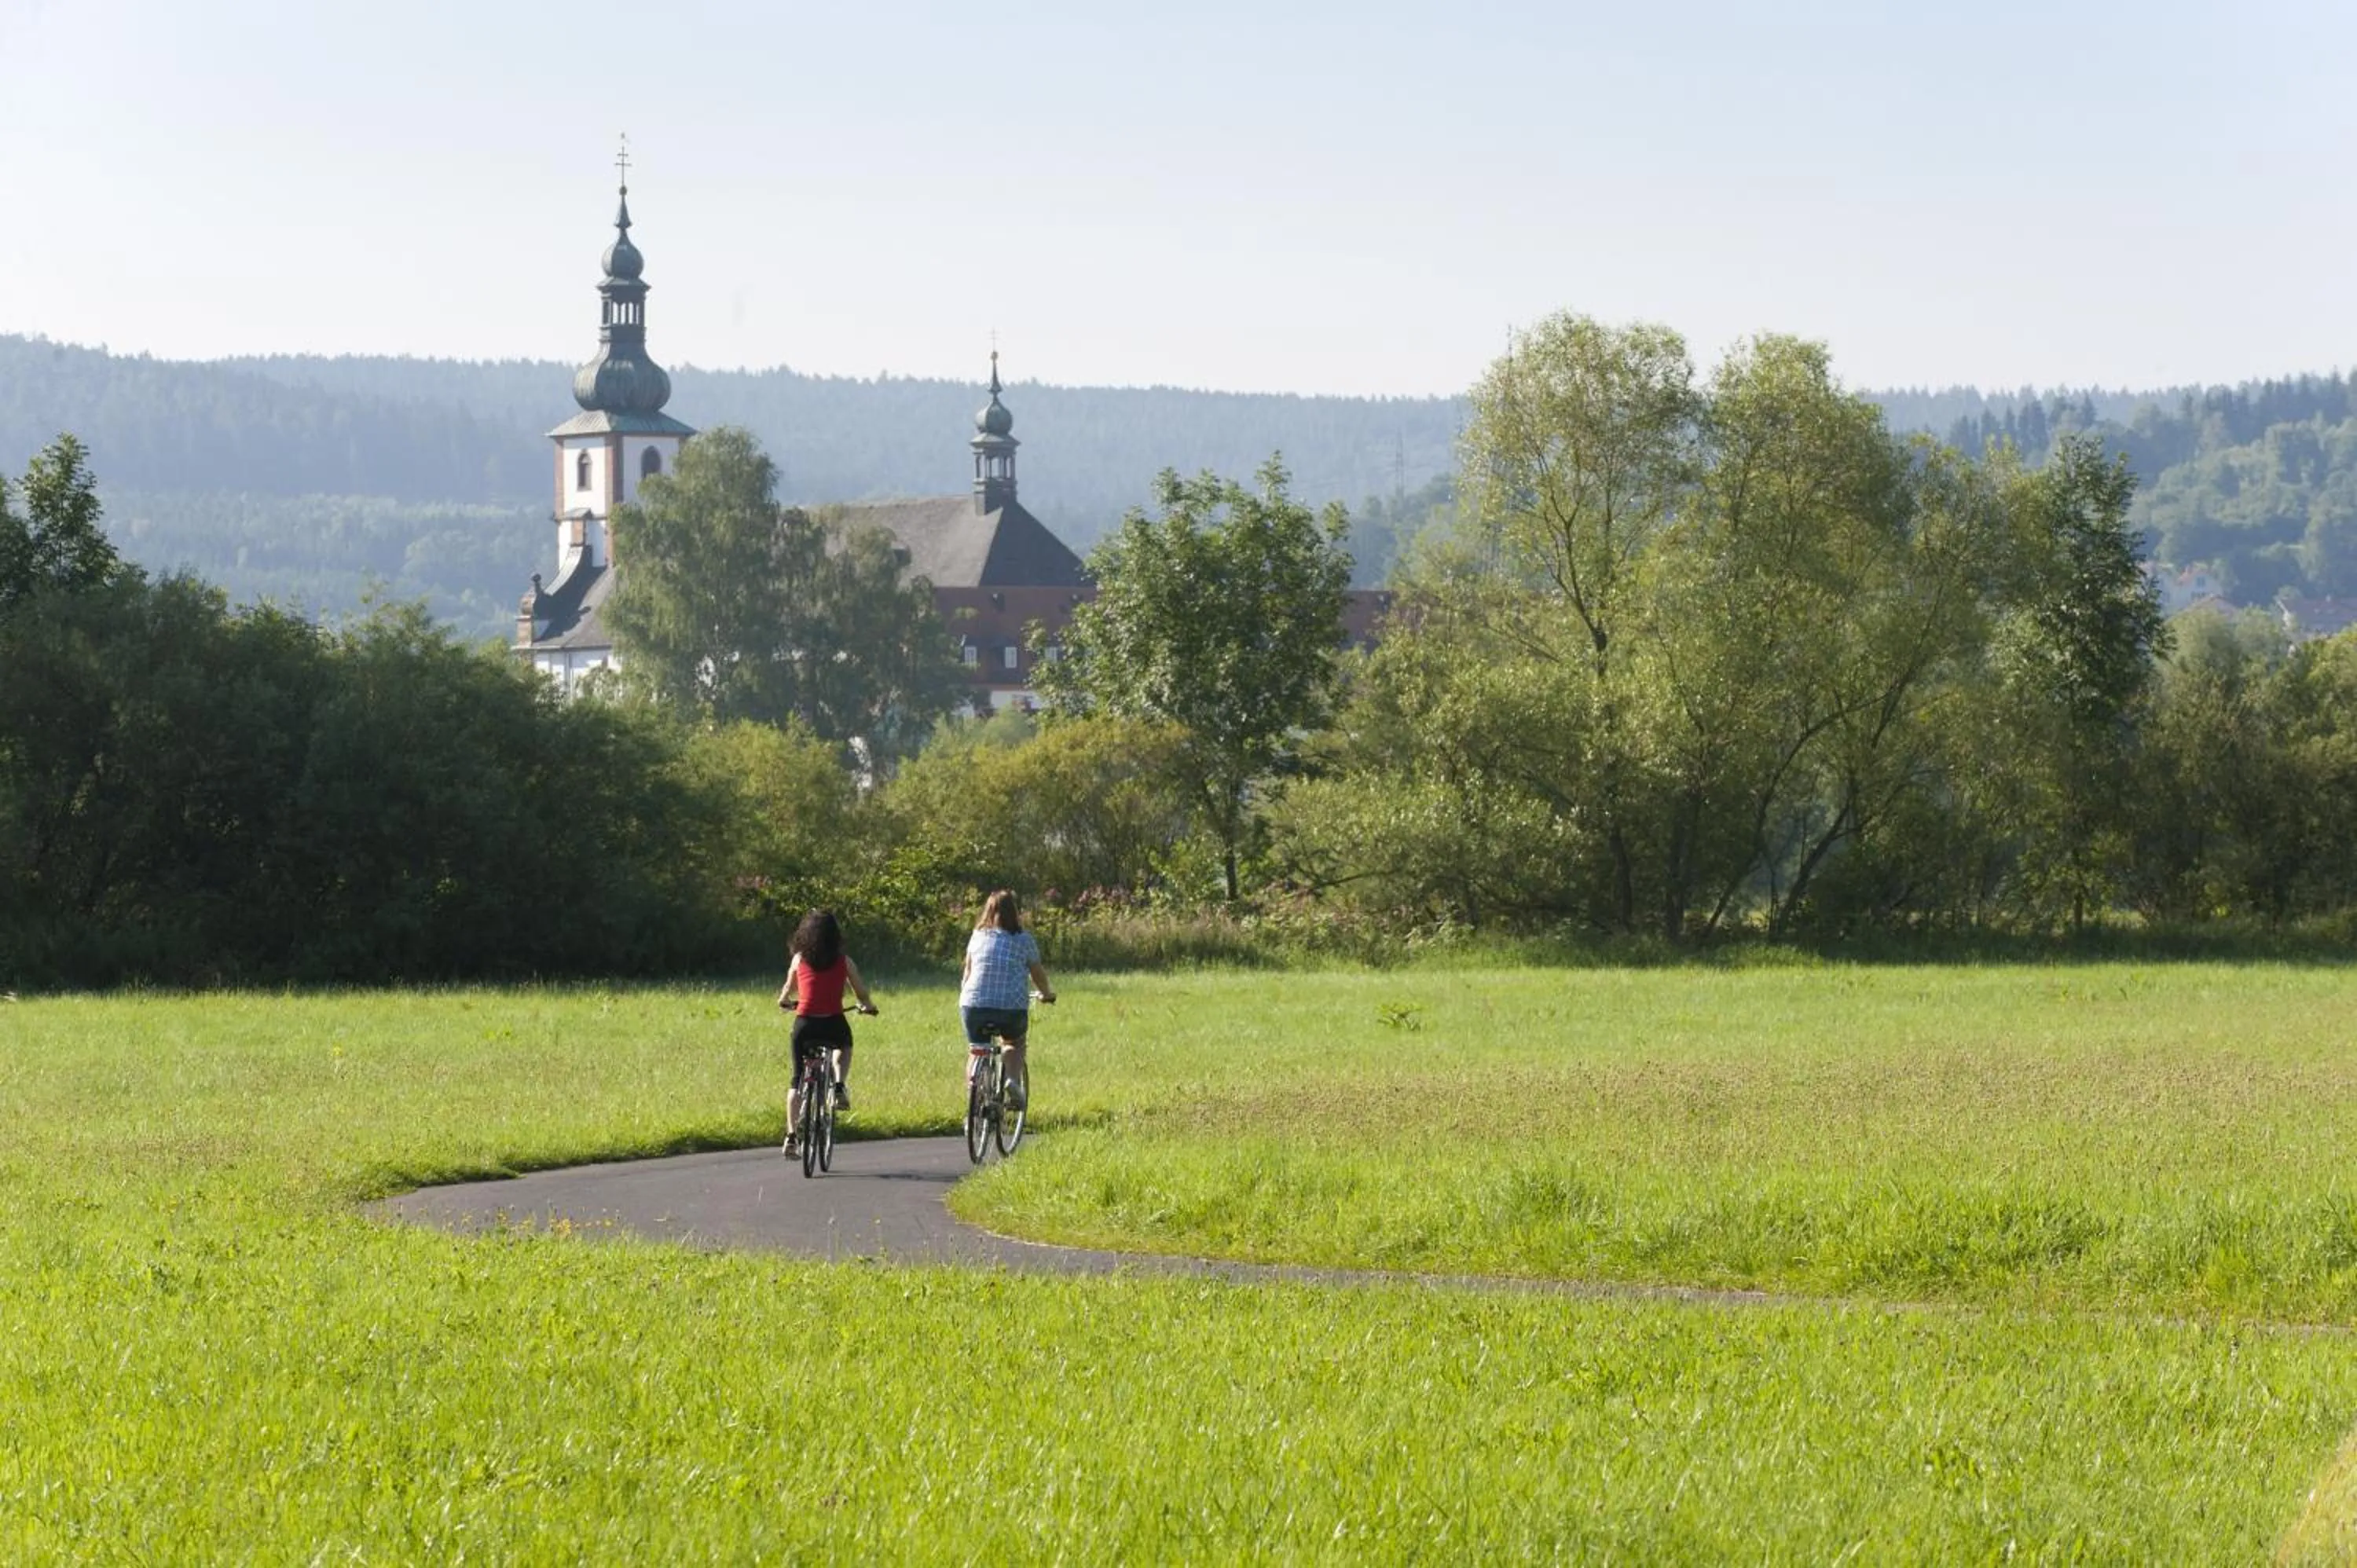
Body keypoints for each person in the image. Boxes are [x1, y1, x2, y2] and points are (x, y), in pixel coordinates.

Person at [776, 908, 875, 1156]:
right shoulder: (844, 961)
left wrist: (787, 1003)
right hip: (832, 1022)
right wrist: (867, 1006)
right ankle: (839, 1085)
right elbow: (861, 993)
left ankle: (791, 1136)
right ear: (835, 935)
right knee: (845, 1044)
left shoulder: (799, 959)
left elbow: (785, 994)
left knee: (797, 1079)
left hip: (805, 1026)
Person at [959, 888, 1055, 1109]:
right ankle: (1012, 1080)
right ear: (1015, 913)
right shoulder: (1024, 940)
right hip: (1010, 1008)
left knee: (977, 1049)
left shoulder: (977, 936)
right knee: (1014, 1043)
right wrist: (1047, 994)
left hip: (973, 1005)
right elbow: (1037, 974)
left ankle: (974, 1095)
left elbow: (968, 973)